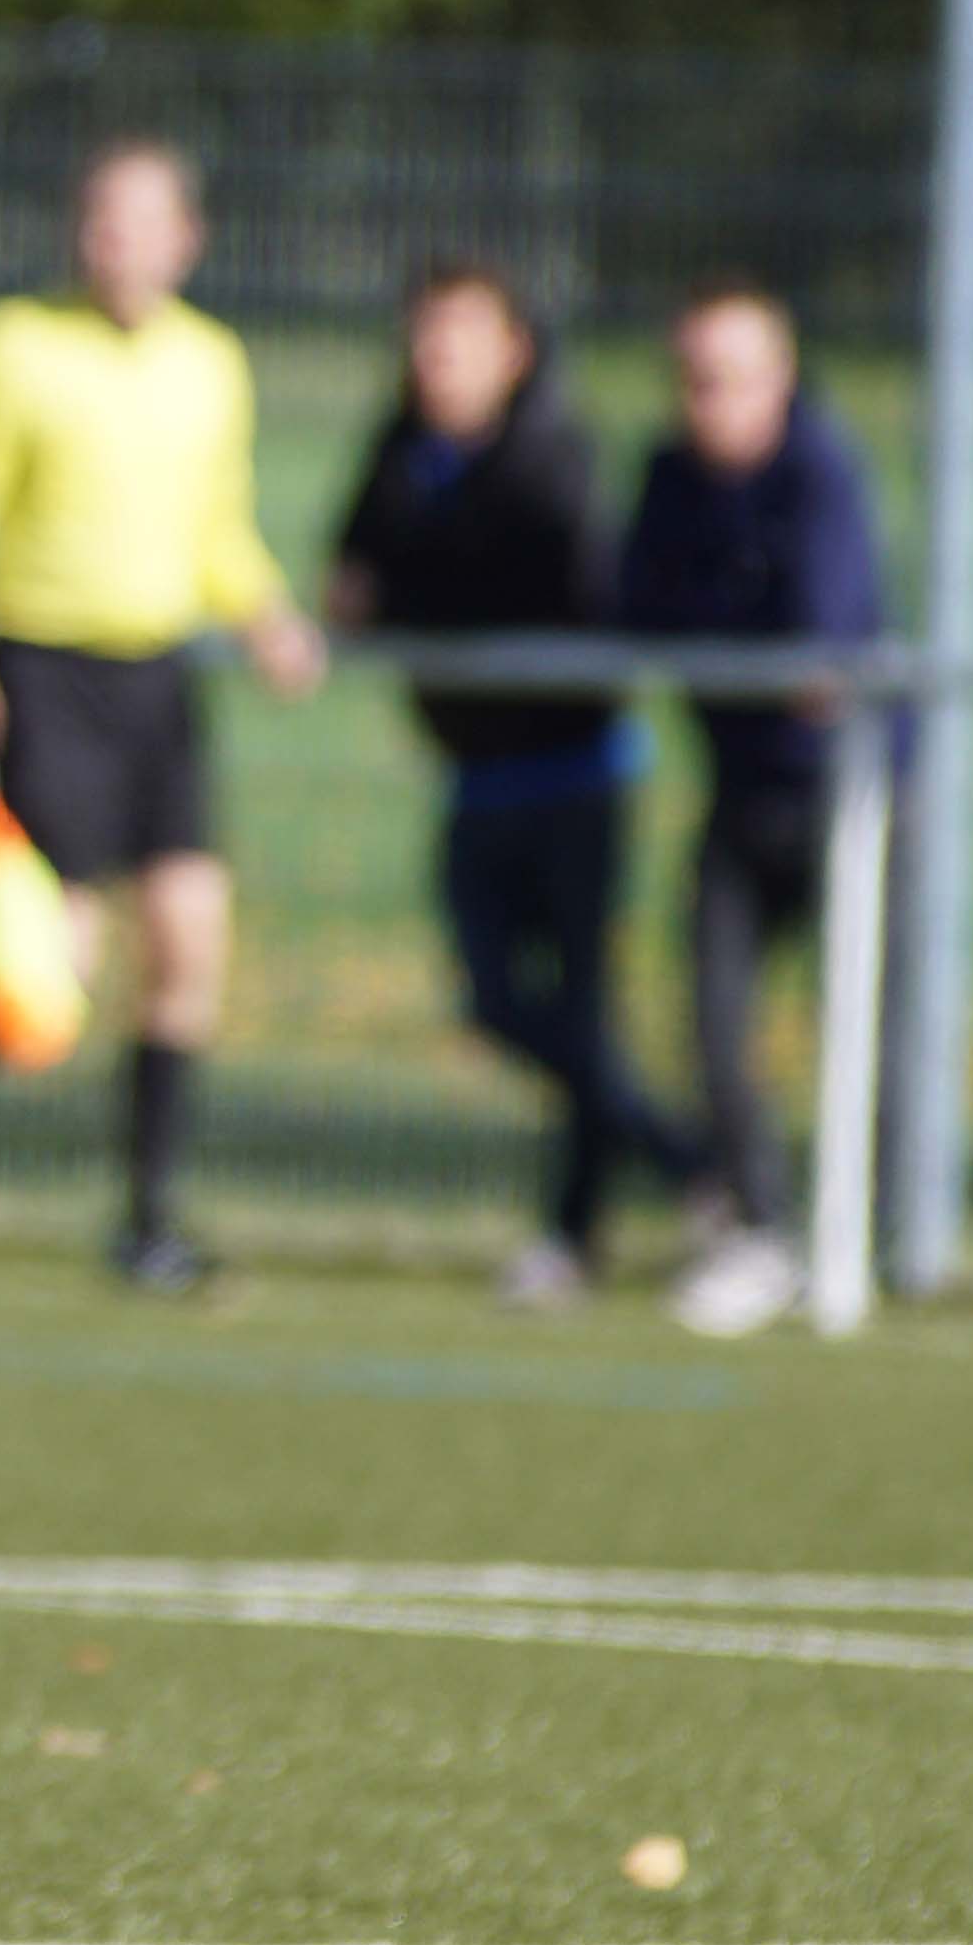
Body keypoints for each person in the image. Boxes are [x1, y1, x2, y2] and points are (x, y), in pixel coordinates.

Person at [0, 141, 324, 1291]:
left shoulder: (212, 362)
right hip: (45, 676)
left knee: (188, 937)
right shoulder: (17, 342)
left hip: (158, 681)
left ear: (186, 240)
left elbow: (216, 529)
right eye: (99, 216)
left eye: (140, 219)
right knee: (51, 970)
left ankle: (148, 1221)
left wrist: (268, 617)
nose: (114, 239)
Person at [327, 263, 703, 1307]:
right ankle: (685, 1163)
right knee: (497, 1002)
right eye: (424, 336)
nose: (435, 357)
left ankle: (579, 1232)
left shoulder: (552, 453)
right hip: (475, 777)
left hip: (574, 776)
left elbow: (533, 579)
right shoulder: (401, 449)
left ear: (514, 351)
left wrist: (408, 587)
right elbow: (355, 573)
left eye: (460, 336)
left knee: (580, 1008)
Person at [621, 280, 886, 1339]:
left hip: (849, 797)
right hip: (740, 792)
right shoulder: (669, 478)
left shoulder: (820, 472)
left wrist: (766, 646)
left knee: (868, 1021)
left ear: (779, 379)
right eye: (692, 379)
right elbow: (636, 608)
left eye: (730, 378)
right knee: (714, 1015)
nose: (709, 401)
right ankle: (761, 1232)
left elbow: (821, 638)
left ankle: (867, 1238)